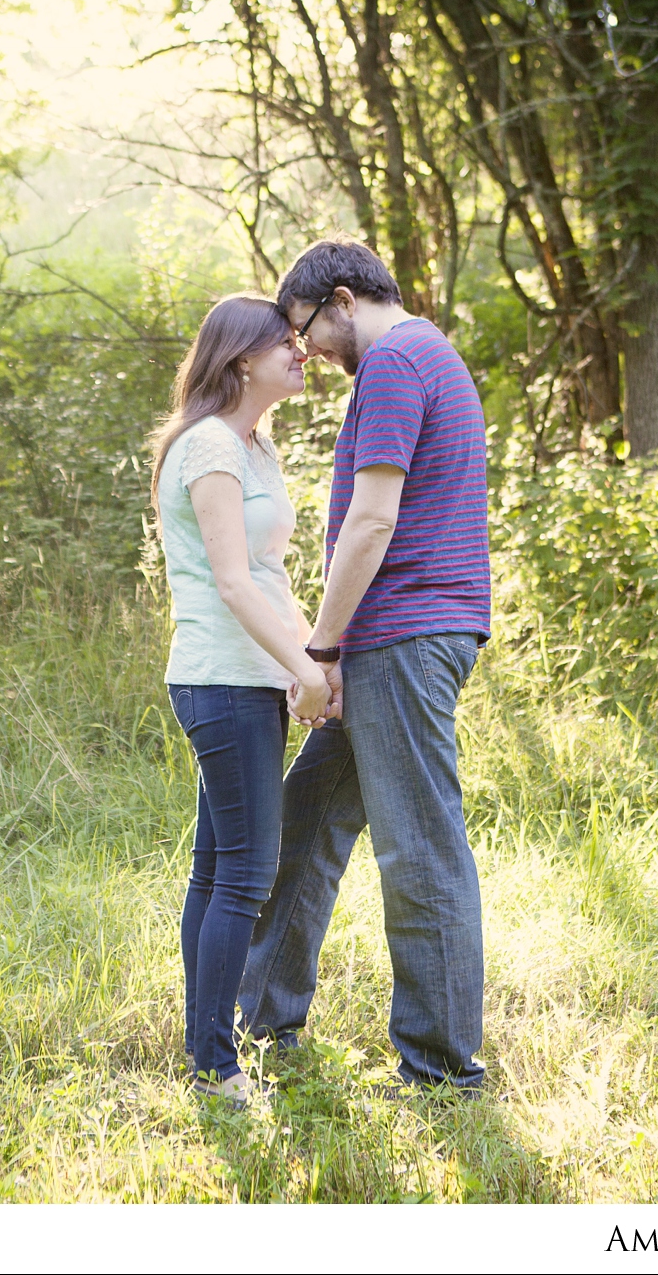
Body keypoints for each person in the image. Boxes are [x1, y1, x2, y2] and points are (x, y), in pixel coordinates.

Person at [238, 239, 494, 1094]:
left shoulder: (394, 362)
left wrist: (319, 646)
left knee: (419, 850)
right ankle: (263, 1021)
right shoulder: (426, 354)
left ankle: (439, 1068)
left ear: (342, 298)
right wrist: (343, 645)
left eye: (306, 329)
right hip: (388, 638)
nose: (305, 350)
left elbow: (373, 523)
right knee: (306, 820)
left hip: (406, 640)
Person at [149, 294, 330, 1104]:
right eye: (285, 341)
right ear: (240, 358)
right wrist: (306, 667)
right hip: (220, 679)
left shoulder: (257, 447)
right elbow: (227, 583)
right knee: (247, 877)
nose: (302, 351)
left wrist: (308, 658)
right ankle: (216, 1064)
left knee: (216, 870)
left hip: (250, 675)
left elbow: (268, 578)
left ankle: (202, 1044)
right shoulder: (211, 448)